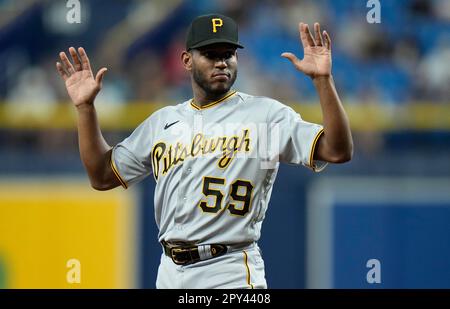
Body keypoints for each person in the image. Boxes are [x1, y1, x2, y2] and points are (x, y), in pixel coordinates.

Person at [56, 14, 353, 289]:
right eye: (211, 55)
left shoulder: (265, 116)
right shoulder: (162, 123)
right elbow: (102, 176)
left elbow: (337, 150)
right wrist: (85, 109)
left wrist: (323, 81)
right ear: (187, 60)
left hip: (231, 269)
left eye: (228, 54)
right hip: (170, 272)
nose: (221, 62)